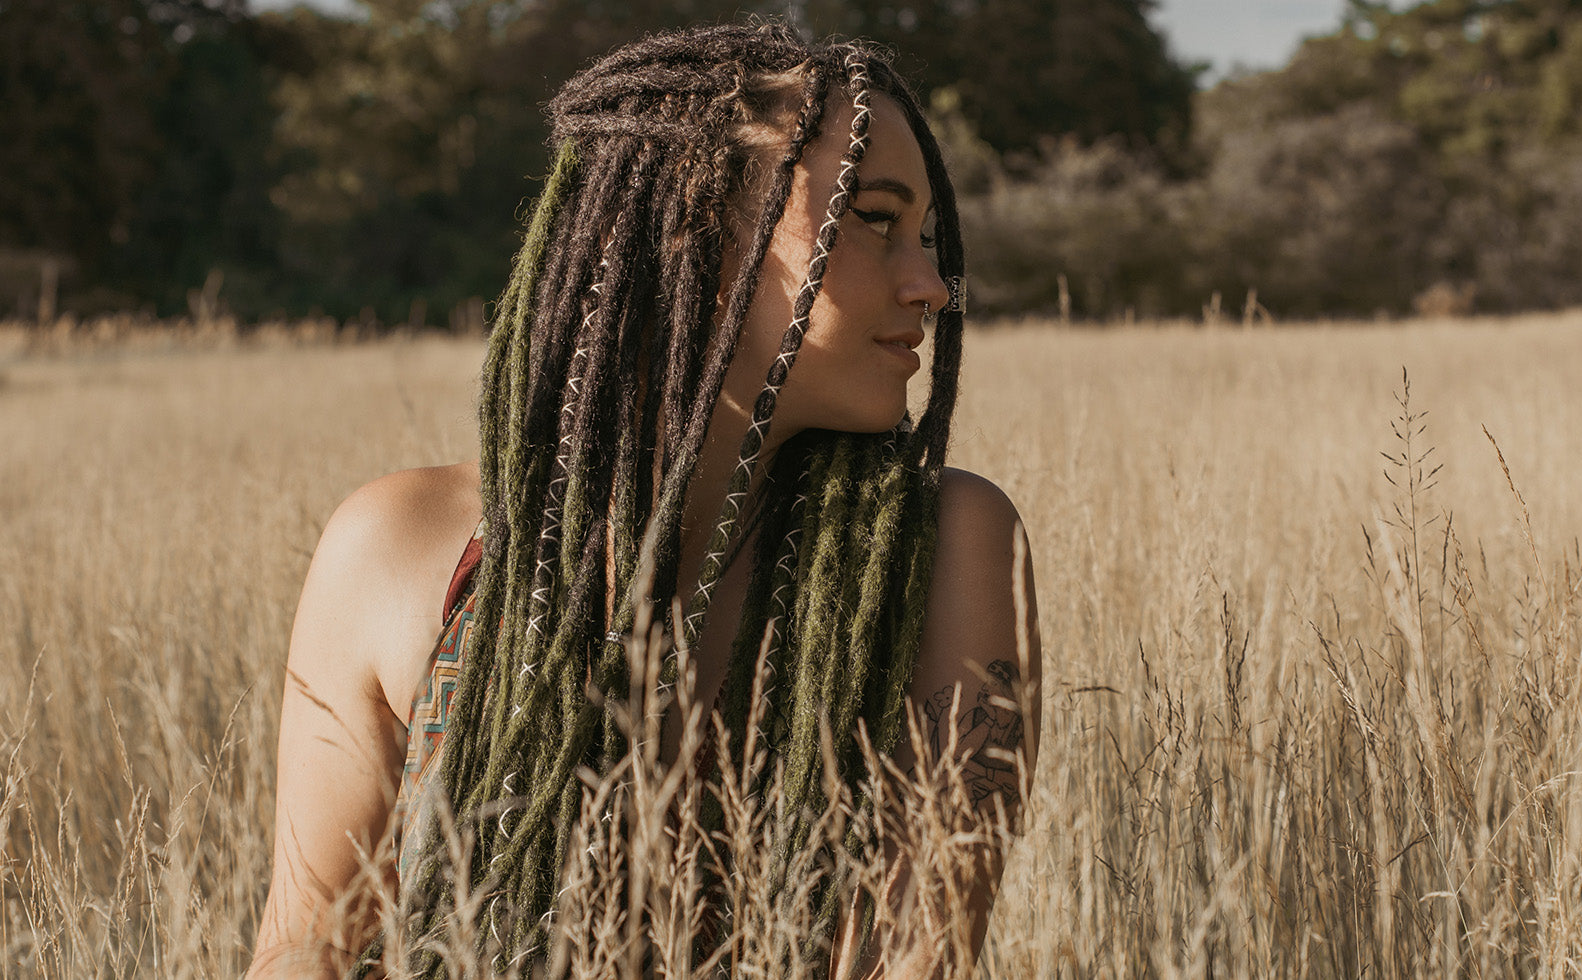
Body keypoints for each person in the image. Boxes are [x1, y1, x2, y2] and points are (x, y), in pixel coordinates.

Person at [247, 22, 1042, 979]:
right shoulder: (398, 548)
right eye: (874, 219)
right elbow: (305, 957)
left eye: (929, 238)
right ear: (693, 226)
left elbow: (922, 959)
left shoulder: (940, 547)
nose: (931, 286)